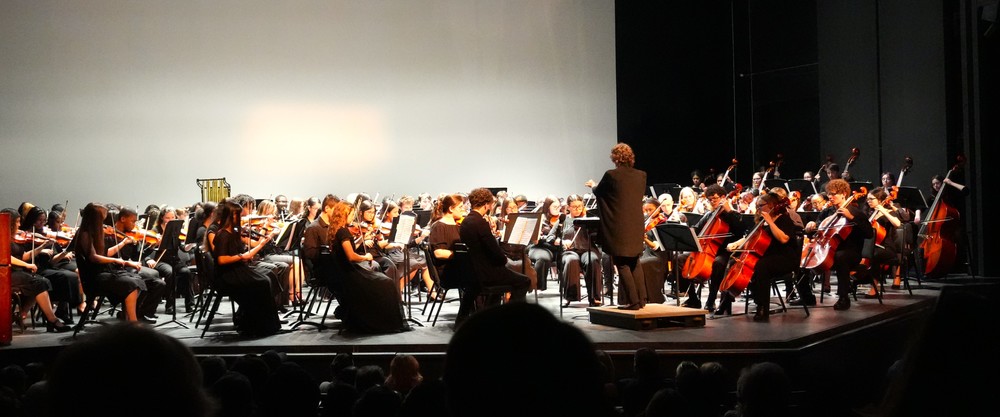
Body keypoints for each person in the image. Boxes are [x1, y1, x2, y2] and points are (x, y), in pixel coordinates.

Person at [326, 201, 409, 333]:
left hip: (345, 272)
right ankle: (384, 323)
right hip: (351, 274)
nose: (353, 218)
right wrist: (366, 257)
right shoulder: (343, 232)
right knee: (387, 283)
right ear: (344, 215)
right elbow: (351, 256)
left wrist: (362, 238)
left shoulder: (338, 230)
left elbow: (349, 250)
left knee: (384, 280)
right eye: (352, 214)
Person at [585, 143, 648, 310]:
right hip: (636, 224)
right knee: (635, 260)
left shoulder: (611, 175)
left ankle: (633, 302)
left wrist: (593, 185)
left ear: (614, 158)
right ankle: (641, 300)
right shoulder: (641, 175)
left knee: (622, 263)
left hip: (619, 226)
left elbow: (600, 192)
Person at [795, 179, 872, 310]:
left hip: (850, 251)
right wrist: (811, 227)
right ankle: (806, 296)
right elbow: (818, 232)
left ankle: (843, 298)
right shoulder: (827, 212)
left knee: (840, 257)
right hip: (828, 248)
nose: (830, 196)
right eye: (829, 194)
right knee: (803, 256)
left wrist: (851, 218)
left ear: (843, 194)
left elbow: (869, 233)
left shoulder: (855, 212)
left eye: (834, 193)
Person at [208, 199, 282, 337]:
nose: (240, 218)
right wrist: (241, 257)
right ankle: (256, 326)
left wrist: (264, 240)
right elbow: (221, 259)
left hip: (237, 269)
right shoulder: (222, 234)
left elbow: (251, 249)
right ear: (230, 216)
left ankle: (269, 325)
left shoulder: (234, 232)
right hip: (228, 274)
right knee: (262, 283)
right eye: (238, 216)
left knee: (266, 279)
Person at [724, 191, 800, 321]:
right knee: (733, 262)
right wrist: (736, 244)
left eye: (761, 205)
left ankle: (762, 308)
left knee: (760, 266)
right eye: (757, 206)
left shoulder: (783, 218)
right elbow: (750, 238)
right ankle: (726, 302)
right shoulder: (760, 221)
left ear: (771, 205)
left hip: (784, 259)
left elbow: (783, 239)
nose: (758, 208)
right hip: (767, 257)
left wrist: (770, 222)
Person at [458, 188, 531, 317]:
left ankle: (492, 315)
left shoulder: (465, 222)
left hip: (473, 272)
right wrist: (502, 258)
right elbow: (496, 254)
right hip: (486, 273)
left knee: (505, 277)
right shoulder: (480, 222)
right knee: (524, 281)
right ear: (486, 204)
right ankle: (514, 317)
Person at [73, 203, 146, 322]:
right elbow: (94, 258)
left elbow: (104, 253)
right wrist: (117, 260)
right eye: (104, 216)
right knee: (131, 283)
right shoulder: (85, 234)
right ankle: (133, 322)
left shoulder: (98, 232)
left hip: (104, 271)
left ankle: (128, 318)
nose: (106, 219)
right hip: (93, 277)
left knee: (137, 279)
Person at [679, 184, 743, 313]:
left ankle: (711, 299)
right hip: (706, 250)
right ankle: (693, 298)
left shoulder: (733, 214)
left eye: (715, 198)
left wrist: (729, 211)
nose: (712, 202)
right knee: (680, 259)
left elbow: (741, 230)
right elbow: (696, 230)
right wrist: (684, 224)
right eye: (709, 199)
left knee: (718, 263)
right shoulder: (709, 215)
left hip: (725, 252)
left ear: (724, 198)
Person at [4, 208, 71, 332]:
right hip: (6, 273)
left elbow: (24, 255)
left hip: (15, 272)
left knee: (41, 281)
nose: (19, 225)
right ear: (10, 223)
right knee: (40, 283)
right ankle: (53, 320)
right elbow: (5, 257)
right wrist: (27, 265)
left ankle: (22, 315)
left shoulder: (12, 238)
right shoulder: (2, 237)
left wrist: (41, 247)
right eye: (17, 222)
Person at [560, 194, 604, 306]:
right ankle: (569, 296)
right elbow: (551, 237)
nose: (577, 209)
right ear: (568, 207)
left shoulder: (588, 220)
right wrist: (562, 241)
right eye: (574, 207)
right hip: (570, 251)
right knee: (571, 261)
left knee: (592, 260)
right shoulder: (564, 220)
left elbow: (598, 237)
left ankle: (594, 297)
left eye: (580, 206)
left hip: (587, 249)